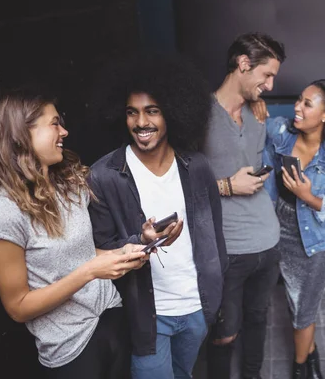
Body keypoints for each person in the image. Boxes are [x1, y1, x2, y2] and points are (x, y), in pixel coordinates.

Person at [0, 89, 147, 378]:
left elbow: (80, 256)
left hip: (112, 317)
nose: (64, 131)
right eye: (54, 123)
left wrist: (127, 252)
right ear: (21, 134)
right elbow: (18, 307)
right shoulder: (2, 214)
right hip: (70, 348)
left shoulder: (70, 186)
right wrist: (91, 272)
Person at [87, 57, 227, 379]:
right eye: (131, 112)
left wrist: (217, 296)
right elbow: (102, 252)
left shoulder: (197, 166)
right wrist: (141, 241)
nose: (140, 122)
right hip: (148, 316)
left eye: (152, 110)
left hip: (196, 308)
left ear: (173, 112)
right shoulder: (104, 176)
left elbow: (215, 237)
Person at [203, 32, 285, 379]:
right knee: (224, 332)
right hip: (229, 250)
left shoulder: (257, 115)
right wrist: (226, 186)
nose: (269, 85)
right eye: (266, 75)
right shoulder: (198, 114)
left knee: (258, 318)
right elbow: (176, 184)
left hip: (268, 243)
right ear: (243, 64)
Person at [260, 79, 325, 379]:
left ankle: (300, 369)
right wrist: (253, 106)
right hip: (279, 228)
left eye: (307, 104)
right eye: (299, 100)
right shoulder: (280, 131)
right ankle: (311, 354)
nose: (296, 108)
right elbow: (254, 132)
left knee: (303, 311)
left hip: (318, 240)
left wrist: (308, 197)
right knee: (294, 300)